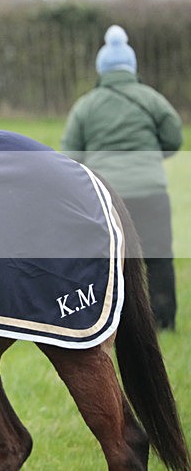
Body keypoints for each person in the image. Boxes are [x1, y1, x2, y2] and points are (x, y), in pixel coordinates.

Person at [61, 24, 184, 330]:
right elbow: (174, 138)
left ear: (101, 70)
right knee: (158, 257)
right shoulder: (152, 99)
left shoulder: (85, 106)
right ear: (132, 67)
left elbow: (71, 157)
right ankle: (164, 322)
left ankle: (114, 322)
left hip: (108, 196)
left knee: (112, 261)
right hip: (151, 191)